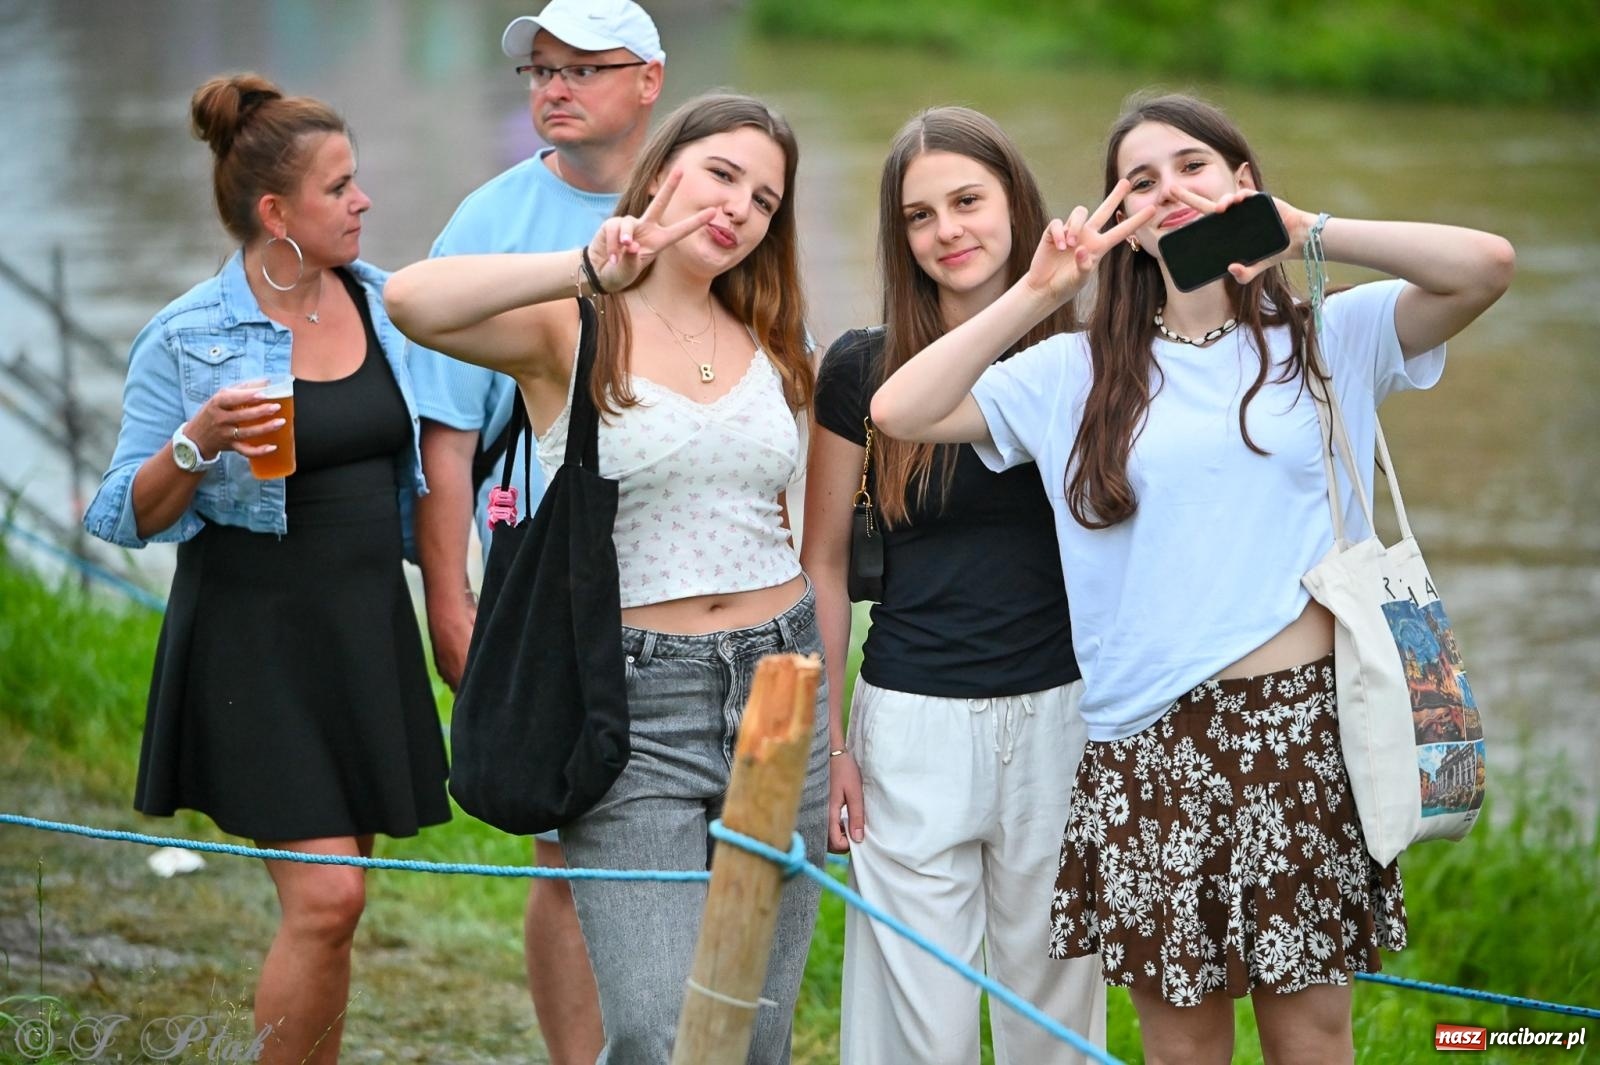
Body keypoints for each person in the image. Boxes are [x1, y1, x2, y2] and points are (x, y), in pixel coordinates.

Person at [871, 92, 1514, 1065]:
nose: (1168, 189)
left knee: (1310, 1035)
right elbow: (900, 409)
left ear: (1240, 182)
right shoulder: (1072, 373)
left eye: (1191, 166)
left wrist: (1305, 230)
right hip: (1144, 745)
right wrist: (1041, 291)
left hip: (1298, 733)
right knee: (1180, 1046)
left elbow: (1487, 266)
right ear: (1120, 219)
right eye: (1140, 181)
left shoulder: (1327, 336)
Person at [386, 93, 825, 1065]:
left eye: (764, 199)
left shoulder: (773, 335)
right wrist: (586, 266)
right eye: (722, 175)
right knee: (653, 1028)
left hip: (782, 687)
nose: (739, 208)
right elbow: (410, 301)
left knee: (758, 1026)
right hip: (633, 696)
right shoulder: (571, 326)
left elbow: (785, 514)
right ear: (663, 169)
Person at [82, 74, 451, 1065]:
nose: (363, 200)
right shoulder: (188, 335)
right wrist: (197, 441)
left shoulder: (389, 306)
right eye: (340, 187)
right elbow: (119, 514)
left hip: (363, 629)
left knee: (335, 910)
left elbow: (449, 449)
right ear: (277, 214)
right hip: (256, 639)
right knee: (329, 899)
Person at [801, 106, 1105, 1064]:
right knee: (916, 1031)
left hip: (1065, 717)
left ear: (1016, 202)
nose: (947, 231)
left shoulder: (1093, 359)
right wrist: (832, 743)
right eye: (920, 216)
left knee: (1053, 1020)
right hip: (912, 724)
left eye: (967, 201)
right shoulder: (862, 367)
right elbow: (823, 562)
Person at [406, 3, 663, 1059]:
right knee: (566, 847)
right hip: (549, 563)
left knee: (692, 840)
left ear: (648, 79)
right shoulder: (491, 219)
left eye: (581, 69)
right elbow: (446, 436)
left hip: (692, 565)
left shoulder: (706, 198)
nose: (553, 88)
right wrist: (451, 599)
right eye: (540, 71)